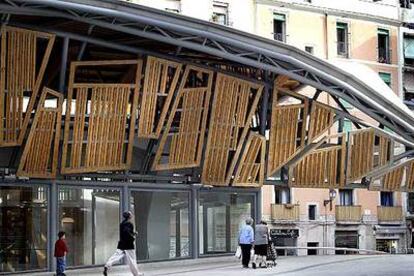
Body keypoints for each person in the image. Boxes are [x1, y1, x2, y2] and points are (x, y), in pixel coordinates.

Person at [103, 211, 143, 276]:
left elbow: (126, 232)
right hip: (129, 245)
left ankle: (107, 265)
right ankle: (136, 274)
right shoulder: (129, 223)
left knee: (116, 256)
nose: (131, 215)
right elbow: (127, 232)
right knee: (132, 260)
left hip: (121, 244)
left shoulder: (122, 224)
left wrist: (133, 233)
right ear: (129, 216)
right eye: (130, 214)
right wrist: (133, 238)